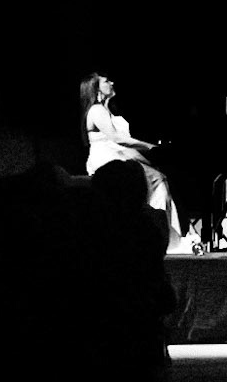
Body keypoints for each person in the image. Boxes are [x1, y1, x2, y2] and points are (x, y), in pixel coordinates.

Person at [78, 73, 199, 252]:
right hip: (108, 161)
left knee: (159, 177)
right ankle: (165, 236)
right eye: (106, 81)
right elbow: (117, 139)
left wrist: (151, 161)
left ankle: (166, 232)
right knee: (158, 180)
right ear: (96, 89)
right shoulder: (96, 110)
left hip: (120, 158)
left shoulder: (109, 110)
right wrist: (150, 148)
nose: (112, 82)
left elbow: (125, 147)